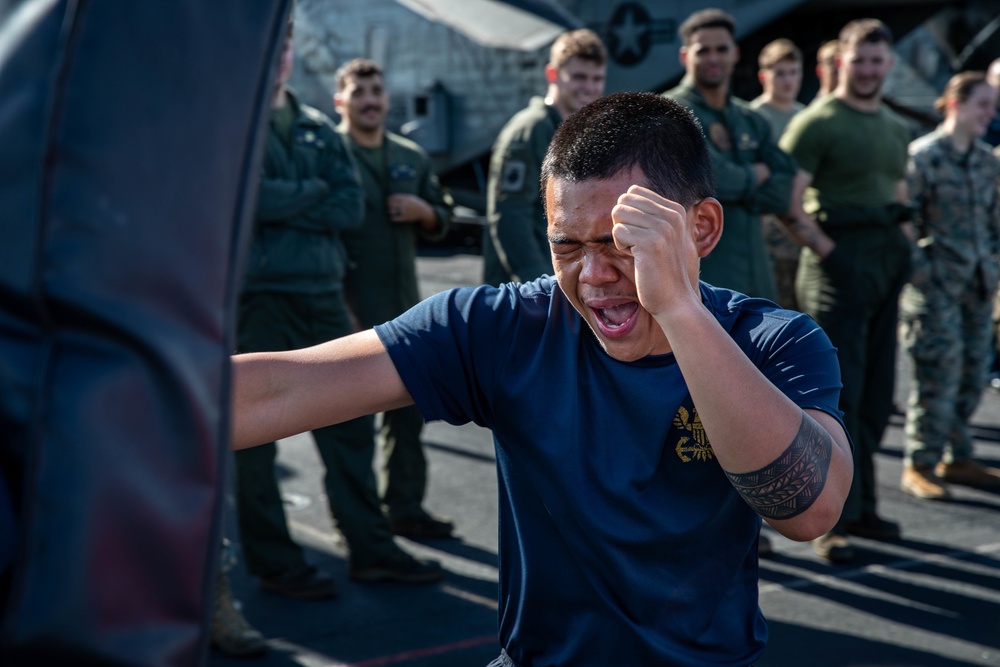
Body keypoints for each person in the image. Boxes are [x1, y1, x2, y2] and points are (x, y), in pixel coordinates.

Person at [230, 92, 854, 667]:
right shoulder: (505, 329)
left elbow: (810, 510)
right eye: (567, 247)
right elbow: (277, 392)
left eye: (621, 242)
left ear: (702, 229)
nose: (593, 274)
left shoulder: (772, 341)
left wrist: (680, 310)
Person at [233, 29, 442, 596]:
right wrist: (311, 194)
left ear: (291, 55)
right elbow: (249, 200)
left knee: (349, 428)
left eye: (282, 48)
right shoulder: (236, 128)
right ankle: (275, 562)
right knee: (252, 438)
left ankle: (369, 549)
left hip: (322, 296)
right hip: (261, 299)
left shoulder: (320, 132)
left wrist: (286, 198)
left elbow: (348, 208)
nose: (276, 58)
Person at [780, 18, 911, 563]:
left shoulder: (894, 125)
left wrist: (906, 253)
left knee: (877, 395)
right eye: (860, 60)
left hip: (885, 260)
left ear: (889, 64)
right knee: (837, 397)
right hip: (839, 263)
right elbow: (787, 203)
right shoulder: (817, 122)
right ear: (841, 61)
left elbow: (898, 191)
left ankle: (862, 509)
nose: (868, 70)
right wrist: (833, 254)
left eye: (878, 61)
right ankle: (827, 522)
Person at [333, 58, 456, 538]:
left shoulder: (410, 155)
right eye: (359, 92)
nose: (370, 101)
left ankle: (404, 507)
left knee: (407, 416)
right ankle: (361, 526)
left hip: (400, 308)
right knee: (350, 427)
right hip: (344, 309)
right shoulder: (331, 154)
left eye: (377, 92)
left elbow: (444, 215)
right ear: (340, 100)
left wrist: (425, 212)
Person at [899, 71, 1000, 500]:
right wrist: (923, 274)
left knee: (974, 370)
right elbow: (904, 220)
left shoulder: (986, 161)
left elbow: (994, 221)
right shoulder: (923, 157)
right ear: (955, 104)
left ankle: (957, 454)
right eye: (982, 105)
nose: (989, 114)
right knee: (937, 374)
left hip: (977, 284)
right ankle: (920, 463)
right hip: (937, 286)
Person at [664, 8, 798, 304]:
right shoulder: (672, 114)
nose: (714, 58)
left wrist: (737, 187)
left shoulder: (751, 119)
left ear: (735, 53)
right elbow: (712, 180)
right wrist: (754, 176)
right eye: (703, 50)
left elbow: (781, 192)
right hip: (703, 282)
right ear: (685, 56)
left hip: (756, 277)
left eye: (721, 49)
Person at [482, 29, 607, 286]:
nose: (589, 87)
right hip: (531, 288)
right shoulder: (530, 132)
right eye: (579, 77)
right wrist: (540, 283)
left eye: (596, 78)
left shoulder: (580, 131)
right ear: (553, 74)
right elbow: (509, 217)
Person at [750, 38, 807, 310]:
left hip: (802, 222)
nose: (788, 80)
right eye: (780, 73)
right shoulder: (754, 118)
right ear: (764, 76)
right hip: (768, 226)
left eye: (793, 72)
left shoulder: (805, 117)